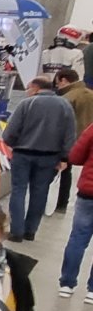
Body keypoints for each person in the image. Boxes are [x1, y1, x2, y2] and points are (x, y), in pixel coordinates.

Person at [2, 77, 77, 241]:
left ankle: (16, 231)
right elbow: (70, 134)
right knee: (40, 191)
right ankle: (31, 230)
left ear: (36, 88)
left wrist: (13, 144)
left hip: (23, 153)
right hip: (50, 156)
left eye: (29, 88)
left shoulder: (26, 104)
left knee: (19, 190)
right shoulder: (65, 105)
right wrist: (64, 157)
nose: (27, 91)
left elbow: (10, 132)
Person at [56, 119, 93, 300]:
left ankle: (67, 284)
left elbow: (76, 156)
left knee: (78, 238)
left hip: (88, 192)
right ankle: (92, 291)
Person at [53, 68, 93, 215]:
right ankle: (62, 203)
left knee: (60, 172)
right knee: (68, 173)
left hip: (70, 141)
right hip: (88, 140)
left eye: (57, 83)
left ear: (64, 80)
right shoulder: (90, 94)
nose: (57, 86)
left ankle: (56, 202)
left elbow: (60, 123)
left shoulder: (67, 98)